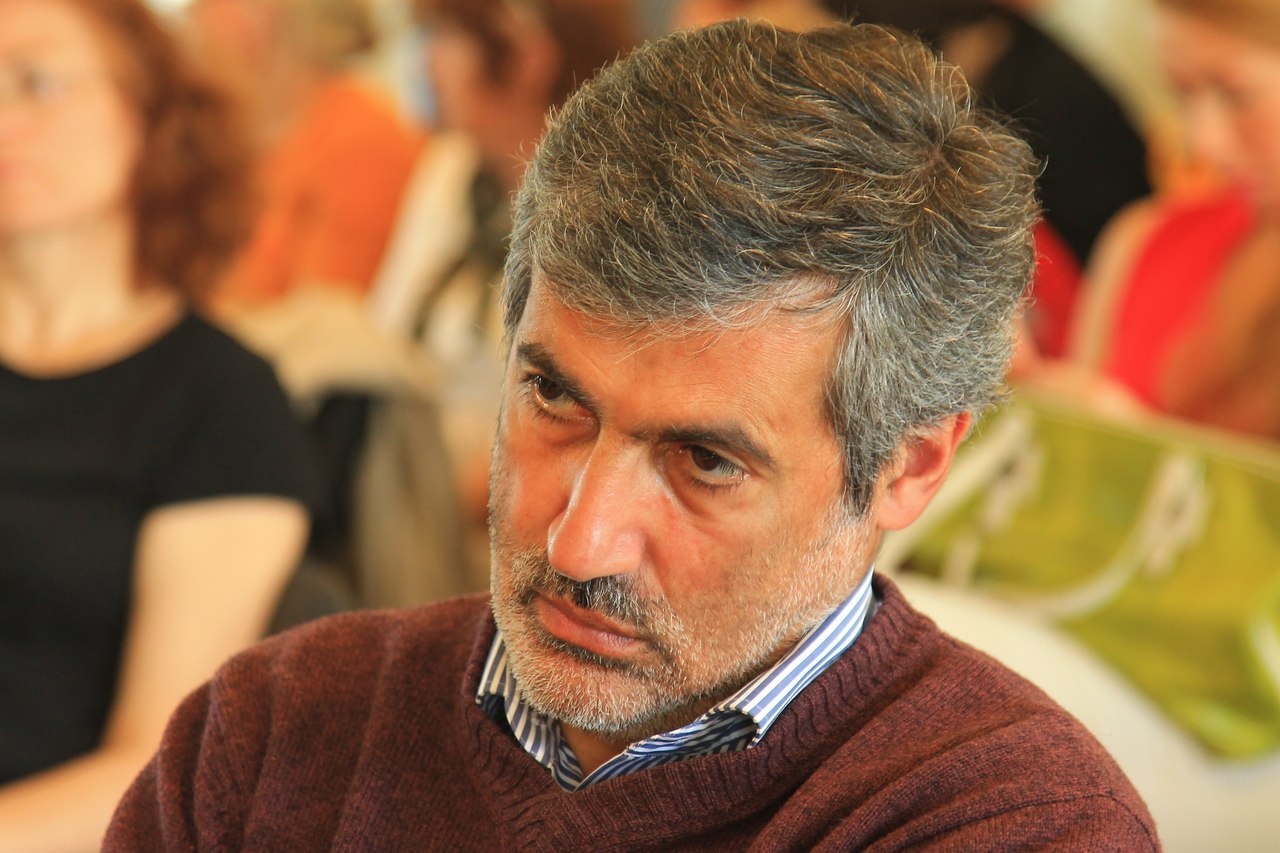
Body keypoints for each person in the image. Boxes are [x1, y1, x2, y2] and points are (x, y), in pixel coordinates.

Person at [104, 20, 1159, 849]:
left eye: (704, 462)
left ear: (909, 464)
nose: (578, 543)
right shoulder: (279, 728)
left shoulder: (1011, 821)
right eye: (554, 400)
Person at [0, 0, 311, 848]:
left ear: (152, 116)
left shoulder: (221, 400)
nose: (4, 118)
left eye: (36, 82)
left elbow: (155, 766)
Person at [1068, 0, 1280, 440]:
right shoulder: (1145, 238)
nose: (1205, 143)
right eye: (1182, 93)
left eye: (1238, 95)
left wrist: (1140, 446)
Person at [186, 0, 425, 310]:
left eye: (205, 5)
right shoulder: (239, 143)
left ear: (260, 16)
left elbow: (320, 322)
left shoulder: (361, 142)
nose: (193, 20)